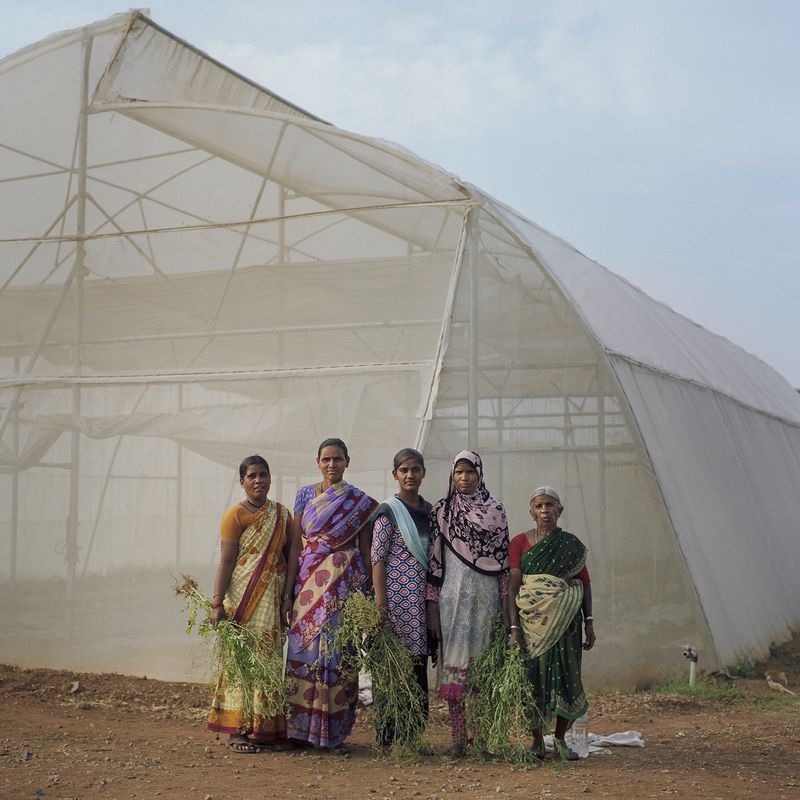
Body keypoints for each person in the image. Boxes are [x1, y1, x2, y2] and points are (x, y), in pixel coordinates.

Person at [281, 438, 377, 752]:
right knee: (304, 652)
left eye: (337, 459)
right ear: (317, 462)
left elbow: (364, 549)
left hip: (343, 587)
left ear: (347, 461)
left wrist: (368, 594)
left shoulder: (358, 502)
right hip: (307, 584)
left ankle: (333, 735)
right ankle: (298, 731)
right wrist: (288, 592)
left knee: (338, 655)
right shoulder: (304, 495)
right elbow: (296, 545)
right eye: (326, 459)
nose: (331, 465)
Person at [426, 450, 509, 757]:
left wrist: (504, 606)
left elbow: (502, 564)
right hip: (452, 602)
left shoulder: (496, 512)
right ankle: (459, 739)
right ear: (452, 475)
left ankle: (484, 738)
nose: (464, 477)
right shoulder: (443, 511)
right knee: (456, 668)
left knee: (483, 670)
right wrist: (432, 606)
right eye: (458, 472)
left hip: (486, 601)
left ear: (479, 474)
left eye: (469, 472)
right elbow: (434, 563)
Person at [207, 455, 291, 753]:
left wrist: (288, 598)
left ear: (270, 478)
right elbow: (227, 561)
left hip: (272, 599)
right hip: (241, 599)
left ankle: (266, 732)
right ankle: (237, 731)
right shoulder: (235, 516)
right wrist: (217, 604)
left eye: (263, 475)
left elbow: (290, 559)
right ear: (242, 482)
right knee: (240, 663)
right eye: (252, 476)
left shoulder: (282, 515)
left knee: (268, 663)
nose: (259, 481)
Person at [507, 486, 596, 760]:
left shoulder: (571, 544)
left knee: (565, 679)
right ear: (532, 512)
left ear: (560, 510)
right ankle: (536, 742)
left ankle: (559, 740)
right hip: (530, 624)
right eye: (539, 506)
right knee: (532, 679)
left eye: (550, 505)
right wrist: (512, 628)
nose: (545, 511)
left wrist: (589, 622)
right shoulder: (520, 542)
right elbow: (512, 586)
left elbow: (584, 584)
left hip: (566, 623)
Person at [370, 447, 433, 747]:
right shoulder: (388, 511)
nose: (410, 475)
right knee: (391, 665)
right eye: (404, 470)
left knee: (416, 664)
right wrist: (380, 605)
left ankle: (412, 735)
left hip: (420, 602)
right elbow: (378, 559)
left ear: (423, 473)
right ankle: (387, 734)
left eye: (415, 469)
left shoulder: (430, 512)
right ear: (395, 474)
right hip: (394, 601)